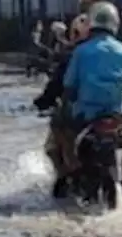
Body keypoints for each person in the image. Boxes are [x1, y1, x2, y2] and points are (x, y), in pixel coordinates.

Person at [57, 2, 122, 191]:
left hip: (86, 116)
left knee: (60, 126)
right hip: (119, 115)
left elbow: (69, 87)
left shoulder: (81, 51)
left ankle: (71, 168)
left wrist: (68, 105)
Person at [35, 13, 89, 194]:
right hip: (113, 111)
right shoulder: (118, 51)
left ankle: (64, 174)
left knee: (52, 147)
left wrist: (42, 102)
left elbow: (58, 86)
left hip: (78, 114)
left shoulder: (72, 56)